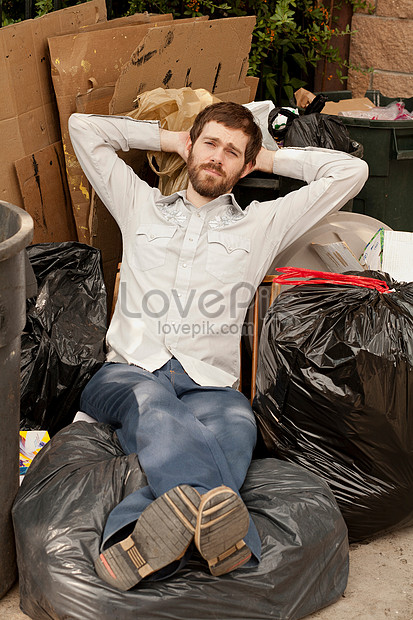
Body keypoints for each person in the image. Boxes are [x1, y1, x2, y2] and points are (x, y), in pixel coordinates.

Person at [68, 101, 368, 591]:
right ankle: (232, 541)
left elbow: (350, 171)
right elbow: (83, 127)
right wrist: (170, 139)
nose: (217, 156)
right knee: (153, 404)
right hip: (127, 375)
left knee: (236, 427)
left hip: (209, 383)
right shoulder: (138, 204)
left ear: (244, 166)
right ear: (192, 147)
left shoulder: (263, 224)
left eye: (232, 152)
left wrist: (268, 158)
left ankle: (139, 541)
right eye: (209, 143)